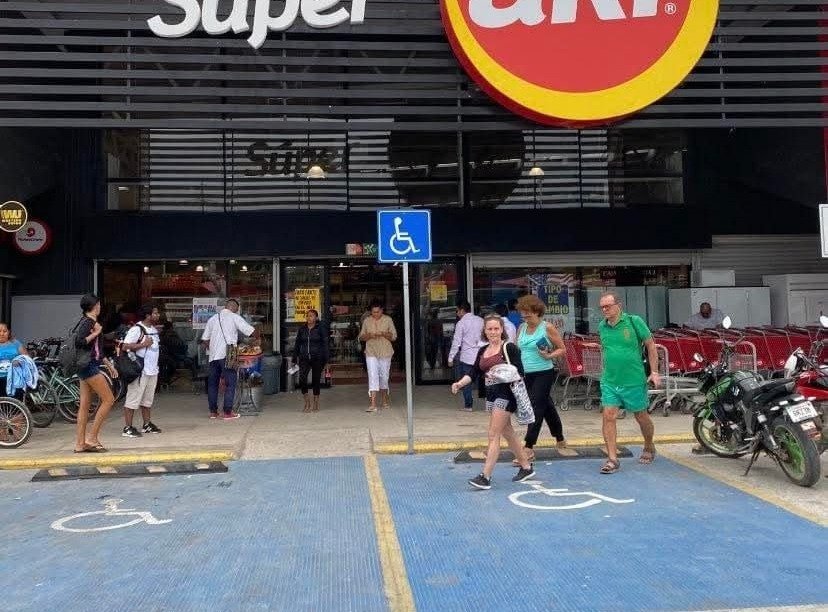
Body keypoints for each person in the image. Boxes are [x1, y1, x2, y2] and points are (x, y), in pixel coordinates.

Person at [452, 314, 535, 490]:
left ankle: (485, 476)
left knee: (493, 434)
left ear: (502, 330)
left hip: (506, 395)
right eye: (489, 329)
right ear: (484, 331)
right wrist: (459, 383)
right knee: (508, 433)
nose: (493, 332)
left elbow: (520, 372)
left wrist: (499, 372)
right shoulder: (483, 351)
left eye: (496, 328)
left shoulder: (509, 348)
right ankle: (526, 467)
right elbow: (474, 372)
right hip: (491, 395)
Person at [595, 292, 661, 474]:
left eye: (607, 306)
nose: (604, 310)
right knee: (609, 415)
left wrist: (654, 372)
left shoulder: (634, 321)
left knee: (641, 416)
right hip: (610, 380)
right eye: (602, 307)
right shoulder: (602, 326)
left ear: (618, 305)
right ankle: (612, 459)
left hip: (634, 380)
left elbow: (651, 345)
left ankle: (648, 445)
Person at [515, 294, 567, 461]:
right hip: (525, 373)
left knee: (536, 406)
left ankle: (529, 447)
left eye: (527, 313)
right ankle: (559, 436)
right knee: (546, 405)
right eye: (522, 313)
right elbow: (517, 350)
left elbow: (562, 349)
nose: (524, 316)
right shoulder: (521, 328)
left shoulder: (547, 328)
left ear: (537, 312)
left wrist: (549, 356)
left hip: (544, 372)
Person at [73, 293, 119, 453]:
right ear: (93, 306)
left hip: (86, 365)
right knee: (108, 399)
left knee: (85, 405)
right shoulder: (89, 322)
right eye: (98, 304)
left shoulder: (88, 322)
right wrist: (96, 332)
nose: (100, 307)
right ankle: (91, 438)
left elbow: (97, 350)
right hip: (89, 366)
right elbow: (79, 342)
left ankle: (80, 444)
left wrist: (109, 365)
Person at [201, 298, 259, 420]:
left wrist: (212, 348)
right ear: (234, 308)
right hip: (229, 354)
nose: (237, 312)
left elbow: (205, 340)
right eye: (237, 310)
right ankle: (227, 412)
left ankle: (213, 412)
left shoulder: (212, 319)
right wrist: (257, 338)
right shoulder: (234, 317)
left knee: (212, 384)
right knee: (231, 383)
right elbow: (251, 331)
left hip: (213, 357)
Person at [120, 304, 162, 437]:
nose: (158, 315)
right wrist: (143, 344)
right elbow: (125, 346)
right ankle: (127, 427)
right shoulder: (136, 329)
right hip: (140, 370)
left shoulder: (153, 329)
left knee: (147, 400)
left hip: (152, 370)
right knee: (133, 399)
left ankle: (147, 424)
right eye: (155, 313)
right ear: (147, 315)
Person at [359, 301, 397, 412]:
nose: (375, 314)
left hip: (385, 352)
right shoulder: (367, 320)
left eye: (377, 312)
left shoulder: (388, 320)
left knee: (384, 377)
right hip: (371, 352)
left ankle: (385, 400)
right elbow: (361, 337)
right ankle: (373, 404)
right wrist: (369, 335)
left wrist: (383, 333)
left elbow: (394, 336)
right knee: (372, 376)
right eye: (373, 312)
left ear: (382, 310)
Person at [447, 300, 484, 411]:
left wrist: (450, 357)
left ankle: (468, 405)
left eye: (457, 311)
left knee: (466, 381)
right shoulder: (481, 320)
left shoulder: (461, 323)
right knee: (486, 379)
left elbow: (456, 342)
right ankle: (491, 403)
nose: (457, 313)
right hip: (480, 355)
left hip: (467, 356)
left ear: (462, 310)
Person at [293, 309, 330, 412]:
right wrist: (294, 357)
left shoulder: (320, 329)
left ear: (316, 318)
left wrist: (327, 360)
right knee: (302, 379)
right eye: (308, 316)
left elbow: (326, 345)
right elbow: (297, 344)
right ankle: (307, 402)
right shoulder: (302, 329)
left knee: (316, 380)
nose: (309, 318)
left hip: (318, 358)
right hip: (304, 357)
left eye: (312, 316)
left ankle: (316, 403)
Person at [0, 322, 27, 398]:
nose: (2, 334)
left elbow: (26, 358)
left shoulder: (15, 343)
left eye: (4, 331)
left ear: (8, 332)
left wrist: (19, 361)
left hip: (15, 377)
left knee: (15, 404)